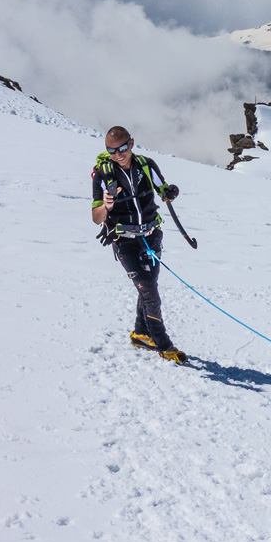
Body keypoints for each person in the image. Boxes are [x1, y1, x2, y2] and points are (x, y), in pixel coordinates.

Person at [92, 127, 187, 365]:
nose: (118, 154)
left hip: (152, 236)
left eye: (123, 148)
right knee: (149, 292)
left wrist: (170, 192)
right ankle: (164, 345)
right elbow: (96, 217)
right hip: (124, 241)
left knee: (149, 285)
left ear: (132, 143)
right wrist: (107, 207)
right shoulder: (102, 174)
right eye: (112, 150)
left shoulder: (147, 165)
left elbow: (162, 190)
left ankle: (141, 333)